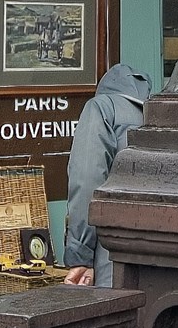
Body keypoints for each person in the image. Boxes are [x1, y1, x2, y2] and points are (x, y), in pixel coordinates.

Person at [61, 61, 153, 286]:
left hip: (112, 255)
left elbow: (87, 180)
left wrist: (80, 255)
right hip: (161, 258)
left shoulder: (102, 108)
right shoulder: (159, 117)